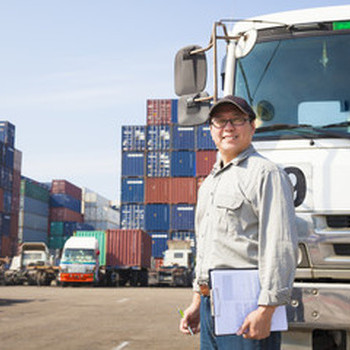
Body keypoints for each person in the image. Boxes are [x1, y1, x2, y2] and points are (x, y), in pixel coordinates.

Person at [179, 95, 298, 350]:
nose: (228, 128)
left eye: (237, 120)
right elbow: (207, 248)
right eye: (220, 122)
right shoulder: (209, 184)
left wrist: (266, 310)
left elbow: (280, 245)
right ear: (211, 130)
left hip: (248, 307)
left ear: (252, 126)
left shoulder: (267, 174)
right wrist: (198, 301)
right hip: (211, 307)